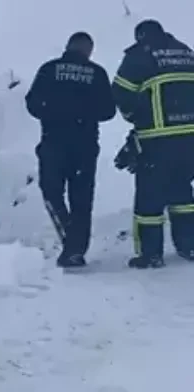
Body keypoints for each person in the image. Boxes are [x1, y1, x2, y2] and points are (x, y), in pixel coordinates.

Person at [24, 31, 117, 268]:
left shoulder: (49, 69)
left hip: (53, 141)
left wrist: (53, 111)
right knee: (82, 199)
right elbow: (108, 111)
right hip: (85, 145)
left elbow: (32, 103)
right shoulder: (97, 73)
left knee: (51, 192)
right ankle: (76, 249)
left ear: (68, 46)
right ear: (89, 50)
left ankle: (70, 239)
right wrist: (84, 112)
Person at [111, 19, 194, 269]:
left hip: (158, 139)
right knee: (182, 193)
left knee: (149, 198)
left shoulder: (140, 56)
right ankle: (189, 245)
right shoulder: (186, 52)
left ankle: (151, 254)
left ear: (141, 36)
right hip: (190, 138)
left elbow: (121, 94)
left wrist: (136, 119)